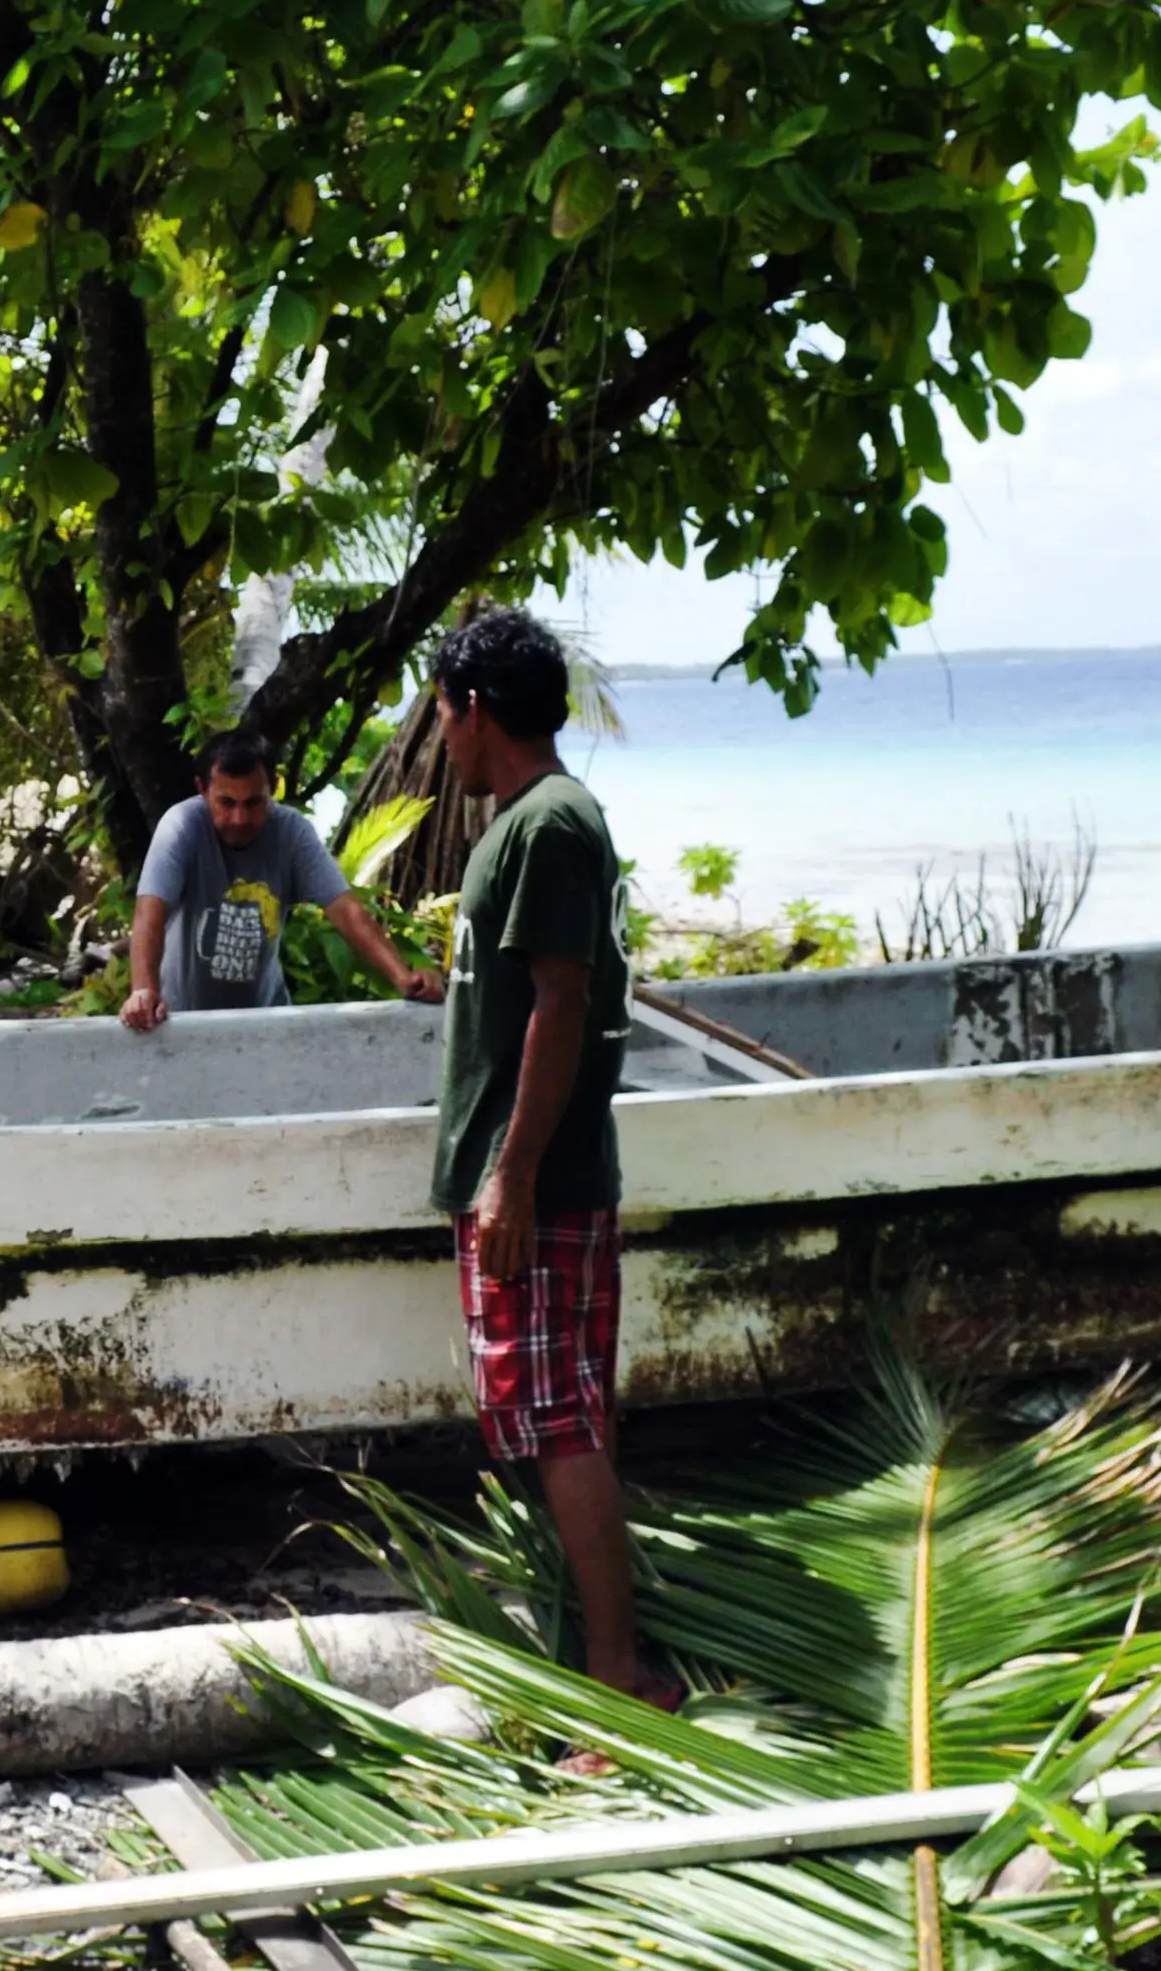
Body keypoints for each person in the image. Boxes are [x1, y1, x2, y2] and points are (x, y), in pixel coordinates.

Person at [427, 608, 665, 1712]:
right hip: (534, 1179)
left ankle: (619, 1674)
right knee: (558, 1415)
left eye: (442, 717)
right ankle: (592, 1648)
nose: (441, 743)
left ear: (474, 709)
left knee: (558, 1418)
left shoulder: (547, 825)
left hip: (543, 1185)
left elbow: (562, 1005)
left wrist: (510, 1175)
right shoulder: (536, 822)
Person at [119, 731, 438, 1032]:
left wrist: (403, 979)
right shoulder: (181, 826)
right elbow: (150, 913)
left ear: (274, 786)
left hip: (265, 1020)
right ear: (202, 789)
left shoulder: (292, 832)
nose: (240, 819)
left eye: (254, 802)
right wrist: (144, 991)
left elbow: (346, 910)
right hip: (180, 1022)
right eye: (226, 803)